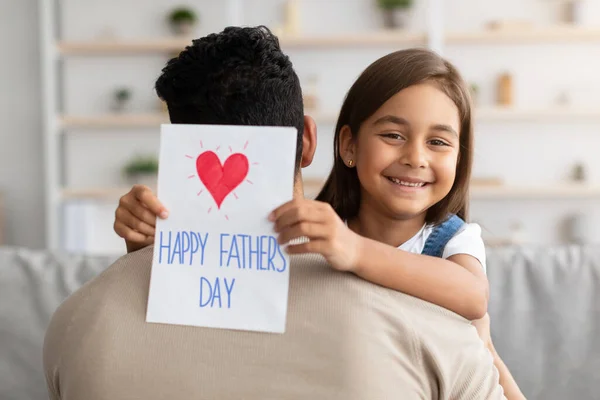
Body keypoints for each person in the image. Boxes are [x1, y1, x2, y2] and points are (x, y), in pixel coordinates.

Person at [45, 26, 506, 399]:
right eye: (393, 136)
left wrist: (138, 265)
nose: (415, 157)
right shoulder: (437, 341)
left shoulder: (76, 321)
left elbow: (472, 296)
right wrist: (151, 254)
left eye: (439, 141)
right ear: (312, 140)